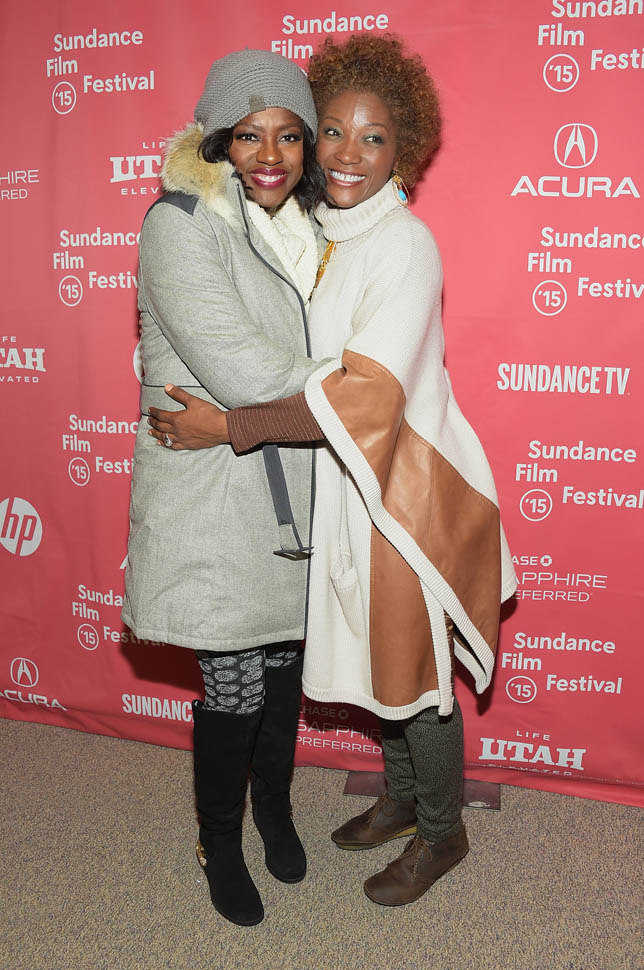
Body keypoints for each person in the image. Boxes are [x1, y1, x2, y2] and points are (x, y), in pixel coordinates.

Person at [147, 34, 516, 907]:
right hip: (345, 483)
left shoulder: (403, 245)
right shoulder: (322, 235)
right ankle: (400, 796)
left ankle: (443, 829)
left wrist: (231, 426)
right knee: (375, 654)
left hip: (404, 488)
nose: (349, 153)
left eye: (373, 137)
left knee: (415, 669)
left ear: (404, 150)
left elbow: (367, 397)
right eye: (337, 133)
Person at [121, 49, 329, 927]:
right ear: (215, 141)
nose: (269, 155)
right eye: (249, 135)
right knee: (236, 678)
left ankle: (274, 808)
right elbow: (244, 371)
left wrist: (334, 394)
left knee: (283, 670)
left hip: (296, 481)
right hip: (215, 493)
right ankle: (220, 839)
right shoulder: (179, 223)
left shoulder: (309, 230)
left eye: (289, 135)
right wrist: (362, 385)